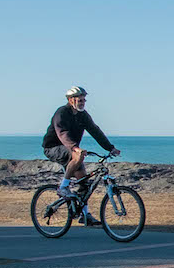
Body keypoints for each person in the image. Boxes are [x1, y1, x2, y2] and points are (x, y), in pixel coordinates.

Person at [42, 86, 121, 226]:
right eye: (80, 100)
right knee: (77, 156)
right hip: (53, 147)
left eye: (84, 100)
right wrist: (75, 148)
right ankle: (63, 188)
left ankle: (85, 216)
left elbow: (95, 131)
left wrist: (110, 148)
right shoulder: (61, 113)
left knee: (84, 183)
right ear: (70, 100)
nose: (83, 102)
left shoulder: (83, 115)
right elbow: (62, 133)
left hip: (72, 150)